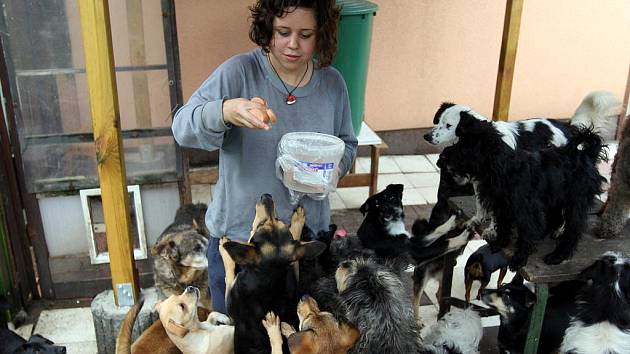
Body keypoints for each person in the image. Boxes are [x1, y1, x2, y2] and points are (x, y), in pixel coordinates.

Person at [171, 0, 358, 314]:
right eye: (283, 32)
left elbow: (347, 143)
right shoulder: (239, 73)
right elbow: (182, 128)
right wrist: (226, 111)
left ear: (321, 34)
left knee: (295, 339)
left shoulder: (332, 84)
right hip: (242, 246)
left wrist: (337, 168)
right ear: (268, 27)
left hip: (303, 245)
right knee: (236, 339)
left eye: (306, 34)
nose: (293, 44)